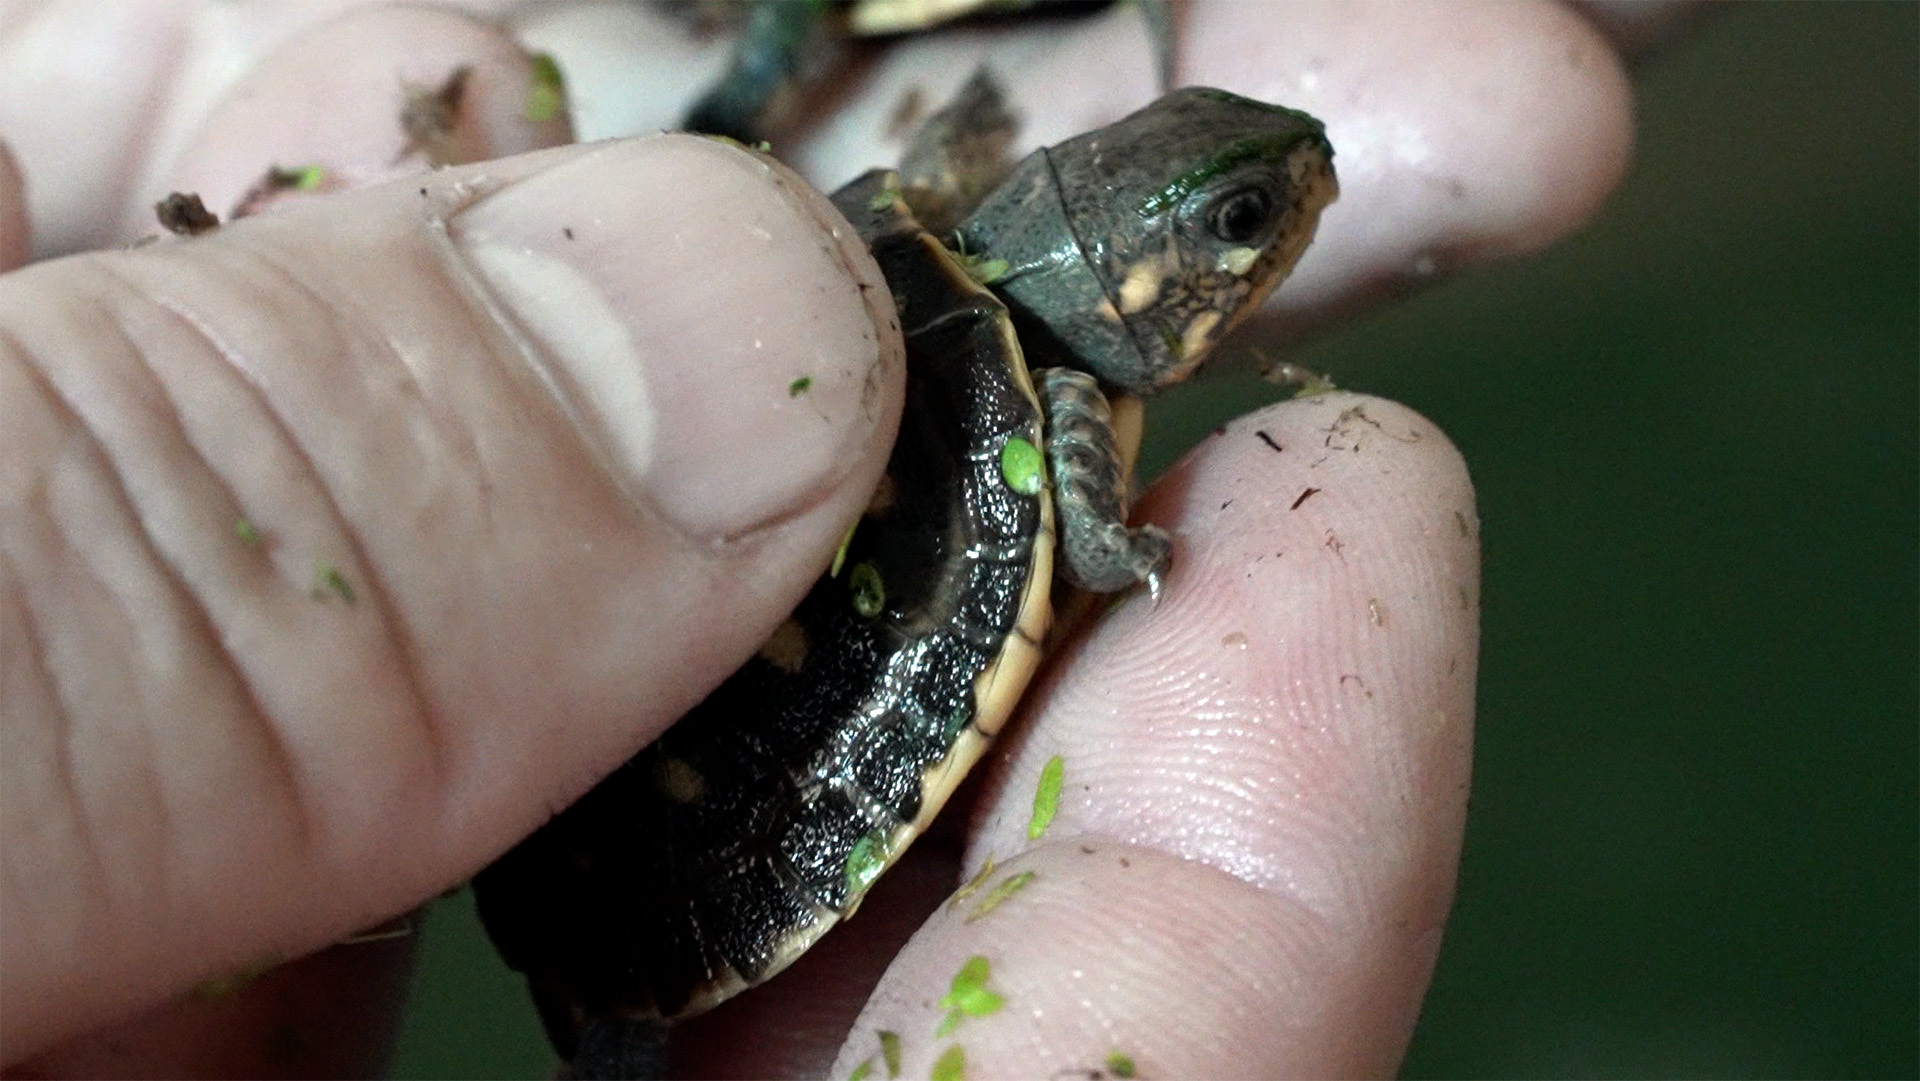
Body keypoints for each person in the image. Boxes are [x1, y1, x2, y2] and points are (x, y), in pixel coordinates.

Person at [0, 2, 1674, 1076]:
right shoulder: (1060, 410)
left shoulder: (895, 221)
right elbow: (1089, 537)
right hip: (656, 843)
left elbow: (923, 216)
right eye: (1243, 227)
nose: (1283, 212)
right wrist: (1113, 546)